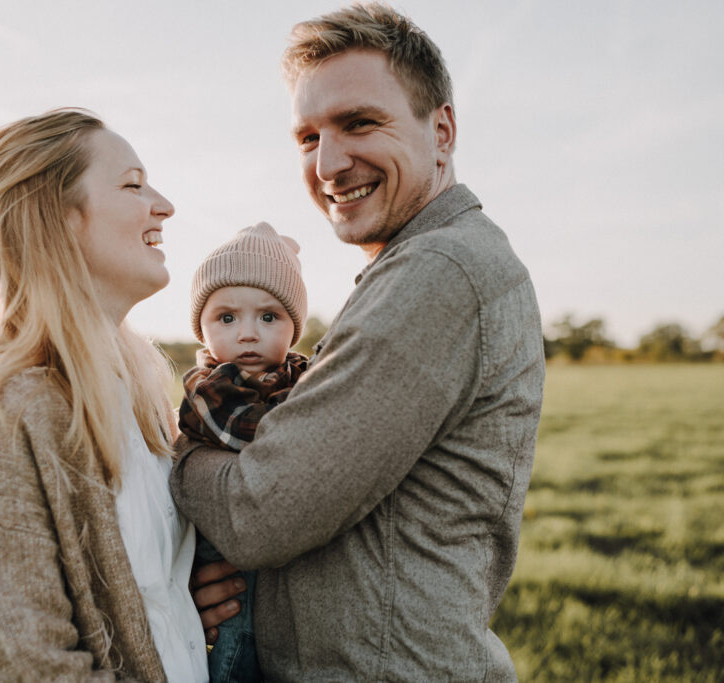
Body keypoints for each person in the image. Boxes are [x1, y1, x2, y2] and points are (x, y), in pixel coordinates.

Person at [171, 4, 545, 681]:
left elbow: (262, 511)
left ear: (442, 130)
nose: (329, 163)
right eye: (308, 136)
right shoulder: (418, 264)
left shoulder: (441, 270)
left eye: (360, 123)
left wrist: (176, 453)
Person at [0, 109, 212, 682]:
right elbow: (25, 668)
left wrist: (190, 589)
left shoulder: (136, 396)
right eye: (133, 185)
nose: (164, 205)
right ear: (60, 219)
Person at [177, 222, 309, 683]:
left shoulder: (305, 376)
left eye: (269, 317)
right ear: (203, 327)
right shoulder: (210, 386)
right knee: (238, 643)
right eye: (227, 318)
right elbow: (255, 438)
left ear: (295, 327)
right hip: (228, 550)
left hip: (285, 561)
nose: (248, 334)